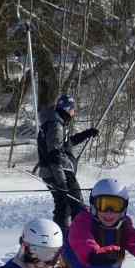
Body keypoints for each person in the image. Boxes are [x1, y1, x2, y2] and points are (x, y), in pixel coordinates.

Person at [36, 94, 98, 232]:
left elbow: (66, 143)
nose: (74, 113)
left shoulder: (55, 122)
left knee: (63, 205)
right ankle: (79, 235)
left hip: (52, 173)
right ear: (67, 109)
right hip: (60, 173)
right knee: (75, 204)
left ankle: (61, 236)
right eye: (73, 109)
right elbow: (54, 155)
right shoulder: (55, 125)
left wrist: (87, 133)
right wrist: (62, 182)